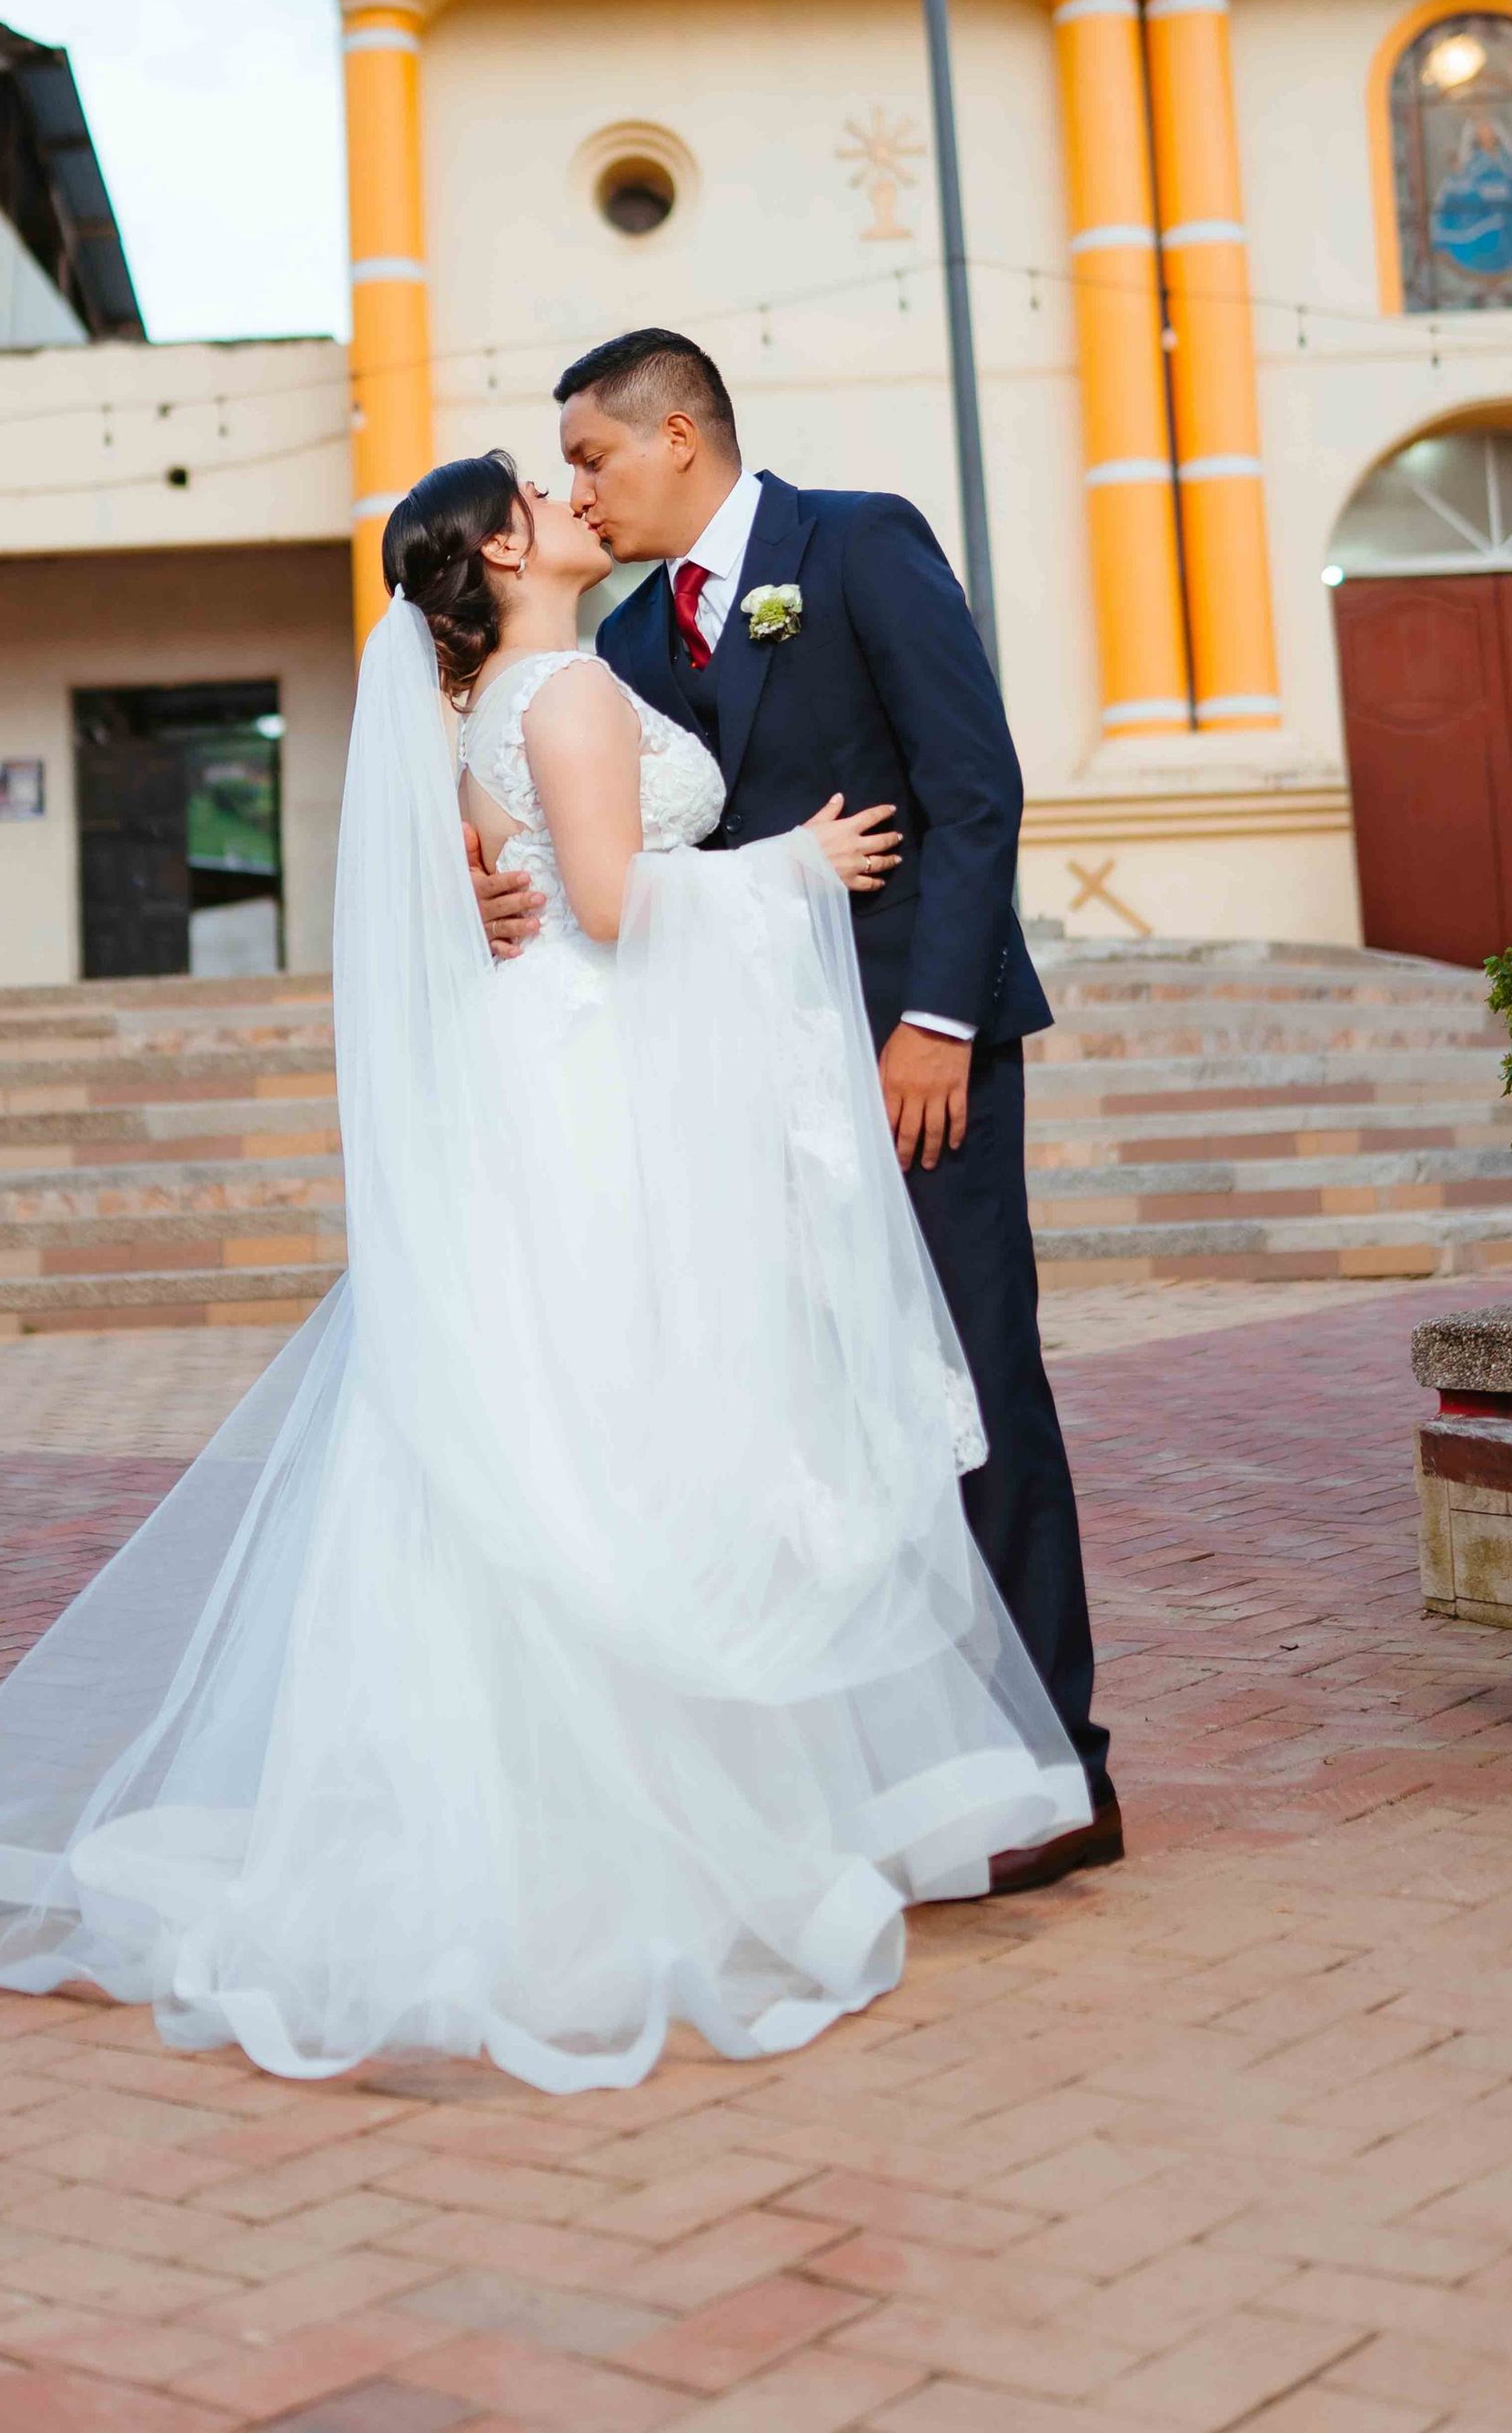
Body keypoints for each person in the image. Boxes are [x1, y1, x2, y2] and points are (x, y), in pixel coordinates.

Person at [0, 449, 1089, 2092]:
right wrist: (792, 867)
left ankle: (559, 1804)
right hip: (593, 1087)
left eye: (582, 464)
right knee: (622, 1426)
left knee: (560, 1427)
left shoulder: (521, 690)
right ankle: (641, 1831)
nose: (573, 494)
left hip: (569, 1079)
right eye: (545, 486)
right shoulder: (565, 688)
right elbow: (609, 902)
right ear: (505, 547)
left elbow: (535, 890)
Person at [476, 328, 1117, 1887]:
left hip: (917, 1060)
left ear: (678, 434)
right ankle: (897, 1766)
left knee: (970, 1387)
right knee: (818, 1413)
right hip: (743, 1078)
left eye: (593, 457)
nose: (579, 487)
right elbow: (622, 847)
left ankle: (1059, 1774)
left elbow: (975, 786)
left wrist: (941, 1021)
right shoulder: (623, 644)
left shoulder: (859, 540)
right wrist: (514, 893)